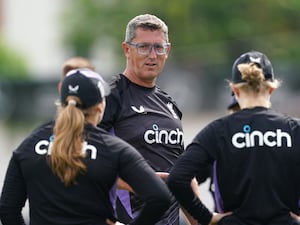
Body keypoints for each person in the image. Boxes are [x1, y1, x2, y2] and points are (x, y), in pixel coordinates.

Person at [0, 69, 171, 225]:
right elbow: (160, 198)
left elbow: (7, 208)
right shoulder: (114, 149)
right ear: (100, 107)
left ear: (62, 104)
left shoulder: (29, 145)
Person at [168, 50, 300, 225]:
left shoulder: (218, 131)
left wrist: (207, 218)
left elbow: (177, 178)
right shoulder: (293, 129)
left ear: (234, 90)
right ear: (272, 88)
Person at [99, 14, 199, 225]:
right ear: (127, 49)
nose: (152, 55)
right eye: (143, 47)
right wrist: (137, 182)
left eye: (158, 47)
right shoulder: (111, 97)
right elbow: (82, 163)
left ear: (167, 51)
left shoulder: (170, 105)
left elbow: (181, 175)